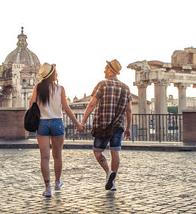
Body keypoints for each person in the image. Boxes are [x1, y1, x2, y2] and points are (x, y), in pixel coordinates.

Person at [30, 62, 85, 197]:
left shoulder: (38, 87)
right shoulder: (60, 89)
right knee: (57, 156)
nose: (57, 73)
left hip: (42, 123)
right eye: (56, 72)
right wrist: (77, 124)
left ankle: (47, 188)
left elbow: (31, 104)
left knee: (44, 157)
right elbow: (66, 109)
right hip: (57, 122)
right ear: (52, 74)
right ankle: (57, 182)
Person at [81, 59, 132, 191]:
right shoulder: (126, 88)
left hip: (102, 125)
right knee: (115, 152)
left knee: (97, 152)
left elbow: (92, 104)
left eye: (105, 68)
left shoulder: (102, 84)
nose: (104, 70)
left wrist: (83, 120)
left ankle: (109, 172)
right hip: (118, 126)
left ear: (110, 70)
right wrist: (128, 127)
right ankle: (113, 183)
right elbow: (129, 110)